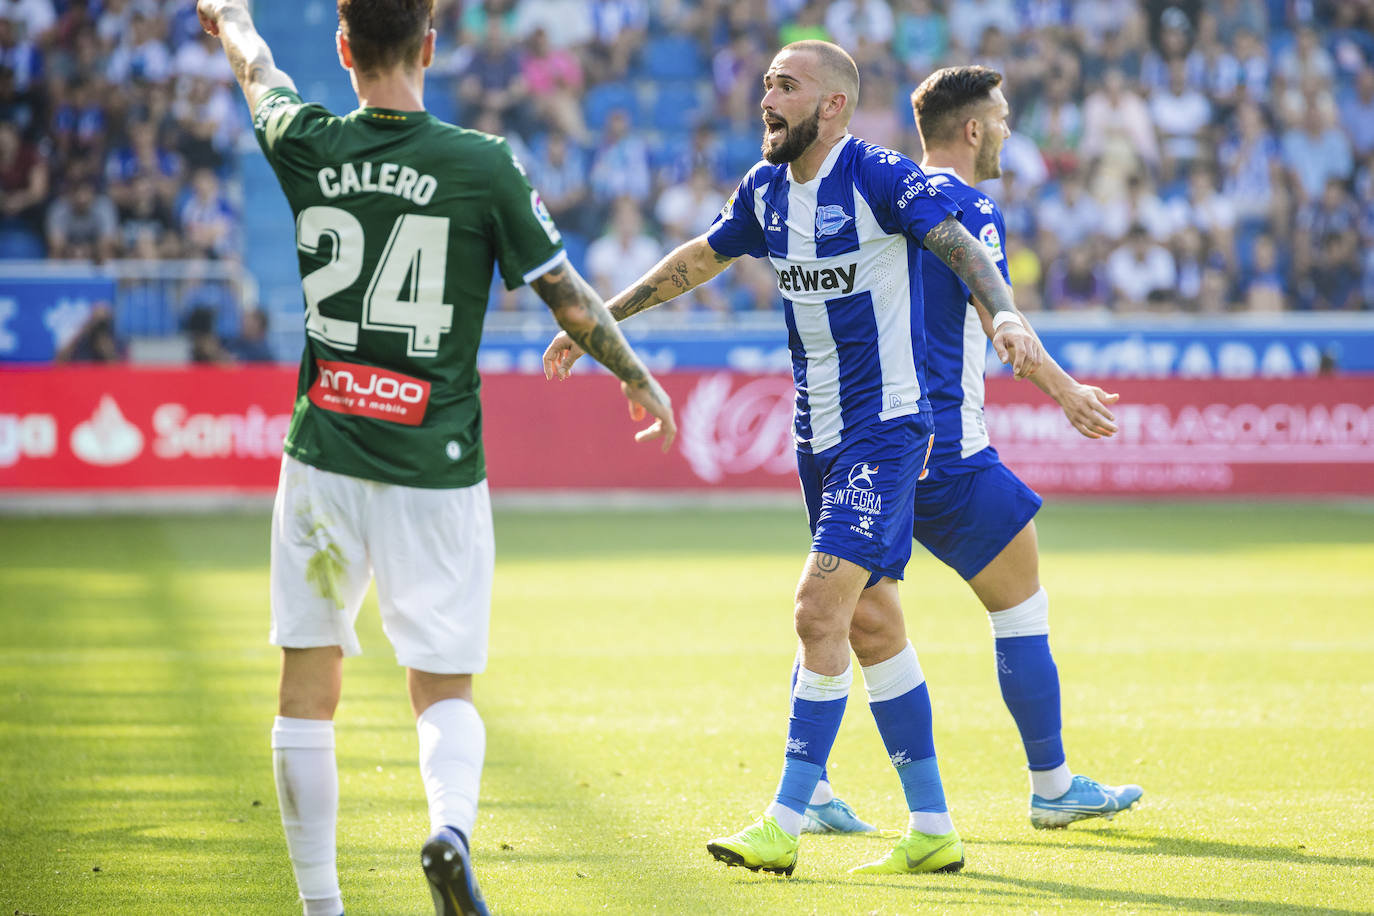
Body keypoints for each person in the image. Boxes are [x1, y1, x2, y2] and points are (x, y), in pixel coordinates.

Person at [195, 3, 676, 915]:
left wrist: (230, 14)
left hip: (323, 459)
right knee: (442, 686)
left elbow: (258, 70)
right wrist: (635, 374)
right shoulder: (482, 163)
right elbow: (566, 296)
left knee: (306, 689)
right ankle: (450, 830)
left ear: (342, 48)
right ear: (430, 44)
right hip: (437, 466)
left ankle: (321, 905)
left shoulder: (308, 142)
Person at [544, 40, 1043, 877]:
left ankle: (783, 820)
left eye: (786, 85)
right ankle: (932, 827)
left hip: (886, 432)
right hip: (816, 437)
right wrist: (604, 318)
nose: (765, 98)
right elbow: (699, 258)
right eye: (765, 84)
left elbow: (958, 243)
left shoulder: (881, 177)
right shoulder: (766, 189)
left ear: (833, 105)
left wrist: (1001, 313)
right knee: (873, 623)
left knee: (817, 609)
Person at [799, 65, 1144, 840]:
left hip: (865, 440)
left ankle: (811, 785)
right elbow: (999, 315)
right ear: (975, 129)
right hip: (944, 449)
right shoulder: (963, 206)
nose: (1010, 131)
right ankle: (1052, 785)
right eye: (1004, 117)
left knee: (846, 611)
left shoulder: (879, 202)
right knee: (1020, 603)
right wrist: (1066, 390)